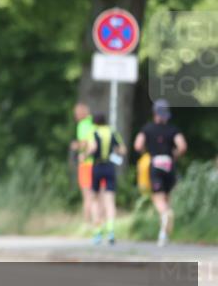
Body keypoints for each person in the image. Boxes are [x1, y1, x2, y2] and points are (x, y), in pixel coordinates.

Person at [133, 99, 187, 247]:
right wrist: (174, 154)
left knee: (158, 199)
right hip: (169, 165)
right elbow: (182, 146)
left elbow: (137, 145)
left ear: (154, 113)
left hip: (155, 164)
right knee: (167, 199)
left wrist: (147, 152)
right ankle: (164, 234)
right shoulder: (173, 129)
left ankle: (165, 216)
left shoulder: (148, 128)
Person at [84, 112, 125, 245]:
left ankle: (97, 232)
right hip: (110, 167)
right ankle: (111, 230)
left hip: (97, 166)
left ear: (95, 122)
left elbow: (92, 148)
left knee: (95, 199)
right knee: (110, 200)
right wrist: (114, 153)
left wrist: (84, 155)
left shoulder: (93, 132)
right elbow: (122, 149)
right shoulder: (112, 131)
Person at [70, 102, 96, 227]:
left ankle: (86, 223)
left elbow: (86, 142)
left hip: (86, 163)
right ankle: (97, 221)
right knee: (96, 194)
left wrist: (76, 145)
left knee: (87, 194)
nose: (75, 116)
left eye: (76, 113)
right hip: (96, 163)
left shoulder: (82, 125)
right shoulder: (93, 123)